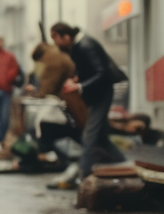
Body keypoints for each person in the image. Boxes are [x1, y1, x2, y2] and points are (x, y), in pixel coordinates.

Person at [49, 22, 128, 179]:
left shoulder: (86, 45)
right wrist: (78, 79)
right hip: (96, 94)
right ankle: (123, 165)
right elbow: (89, 70)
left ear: (66, 36)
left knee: (89, 137)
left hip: (101, 93)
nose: (54, 42)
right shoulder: (78, 46)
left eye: (55, 37)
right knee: (100, 137)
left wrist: (79, 86)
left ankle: (82, 175)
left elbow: (101, 73)